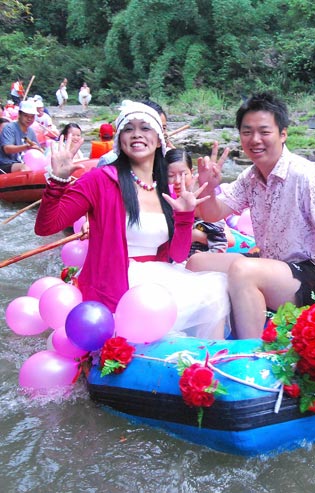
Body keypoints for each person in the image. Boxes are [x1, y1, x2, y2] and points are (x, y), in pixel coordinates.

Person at [35, 101, 229, 339]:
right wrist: (57, 181)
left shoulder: (167, 190)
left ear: (159, 139)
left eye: (145, 128)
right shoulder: (99, 180)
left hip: (161, 276)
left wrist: (185, 217)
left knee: (217, 289)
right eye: (129, 128)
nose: (137, 134)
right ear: (119, 139)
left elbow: (178, 256)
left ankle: (208, 365)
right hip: (114, 282)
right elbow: (46, 227)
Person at [186, 92, 315, 339]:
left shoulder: (304, 175)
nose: (255, 140)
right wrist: (209, 188)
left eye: (264, 132)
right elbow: (213, 214)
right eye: (247, 132)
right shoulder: (251, 176)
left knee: (243, 270)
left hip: (312, 274)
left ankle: (249, 353)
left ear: (282, 134)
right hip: (272, 264)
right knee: (197, 262)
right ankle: (219, 331)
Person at [165, 148, 228, 256]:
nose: (178, 181)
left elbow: (228, 239)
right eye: (170, 176)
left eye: (184, 174)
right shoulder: (161, 199)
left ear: (192, 172)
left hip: (201, 257)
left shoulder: (203, 197)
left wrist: (195, 235)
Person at [97, 100, 172, 166]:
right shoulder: (108, 161)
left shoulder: (171, 161)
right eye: (129, 129)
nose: (137, 135)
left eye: (163, 128)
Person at [0, 100, 41, 173]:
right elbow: (7, 149)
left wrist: (37, 149)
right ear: (19, 114)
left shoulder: (31, 131)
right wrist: (26, 147)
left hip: (24, 162)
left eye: (32, 116)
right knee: (25, 168)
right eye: (26, 116)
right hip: (7, 163)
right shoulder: (9, 128)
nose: (29, 119)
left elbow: (38, 149)